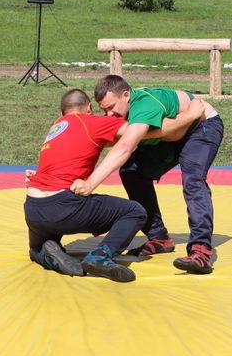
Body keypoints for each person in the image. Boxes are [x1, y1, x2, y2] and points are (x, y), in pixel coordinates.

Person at [25, 88, 204, 282]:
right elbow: (142, 133)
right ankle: (100, 256)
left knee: (39, 243)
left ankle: (42, 252)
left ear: (62, 112)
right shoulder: (93, 122)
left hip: (33, 210)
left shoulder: (57, 127)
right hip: (61, 207)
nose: (108, 114)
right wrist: (189, 116)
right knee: (135, 211)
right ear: (89, 108)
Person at [72, 75, 224, 275]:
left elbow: (126, 145)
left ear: (126, 95)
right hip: (175, 134)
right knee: (131, 172)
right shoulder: (121, 111)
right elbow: (103, 142)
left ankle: (201, 250)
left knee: (193, 180)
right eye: (104, 110)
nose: (109, 115)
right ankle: (159, 237)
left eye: (111, 107)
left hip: (202, 127)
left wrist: (90, 184)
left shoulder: (144, 103)